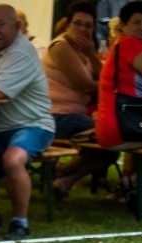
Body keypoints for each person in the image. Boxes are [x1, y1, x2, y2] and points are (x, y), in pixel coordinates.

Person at [0, 4, 54, 240]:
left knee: (13, 159)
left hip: (33, 124)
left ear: (17, 26)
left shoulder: (23, 52)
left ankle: (20, 221)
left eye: (1, 25)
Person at [43, 1, 115, 200]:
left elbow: (103, 77)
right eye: (77, 23)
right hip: (57, 116)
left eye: (88, 25)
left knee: (113, 145)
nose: (83, 29)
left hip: (74, 116)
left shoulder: (83, 50)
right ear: (67, 25)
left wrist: (91, 53)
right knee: (109, 138)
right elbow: (86, 85)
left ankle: (63, 178)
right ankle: (62, 171)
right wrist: (109, 83)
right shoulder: (61, 46)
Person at [96, 1, 142, 216]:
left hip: (118, 124)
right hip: (122, 127)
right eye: (137, 22)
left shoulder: (119, 43)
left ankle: (129, 185)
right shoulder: (131, 45)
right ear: (124, 25)